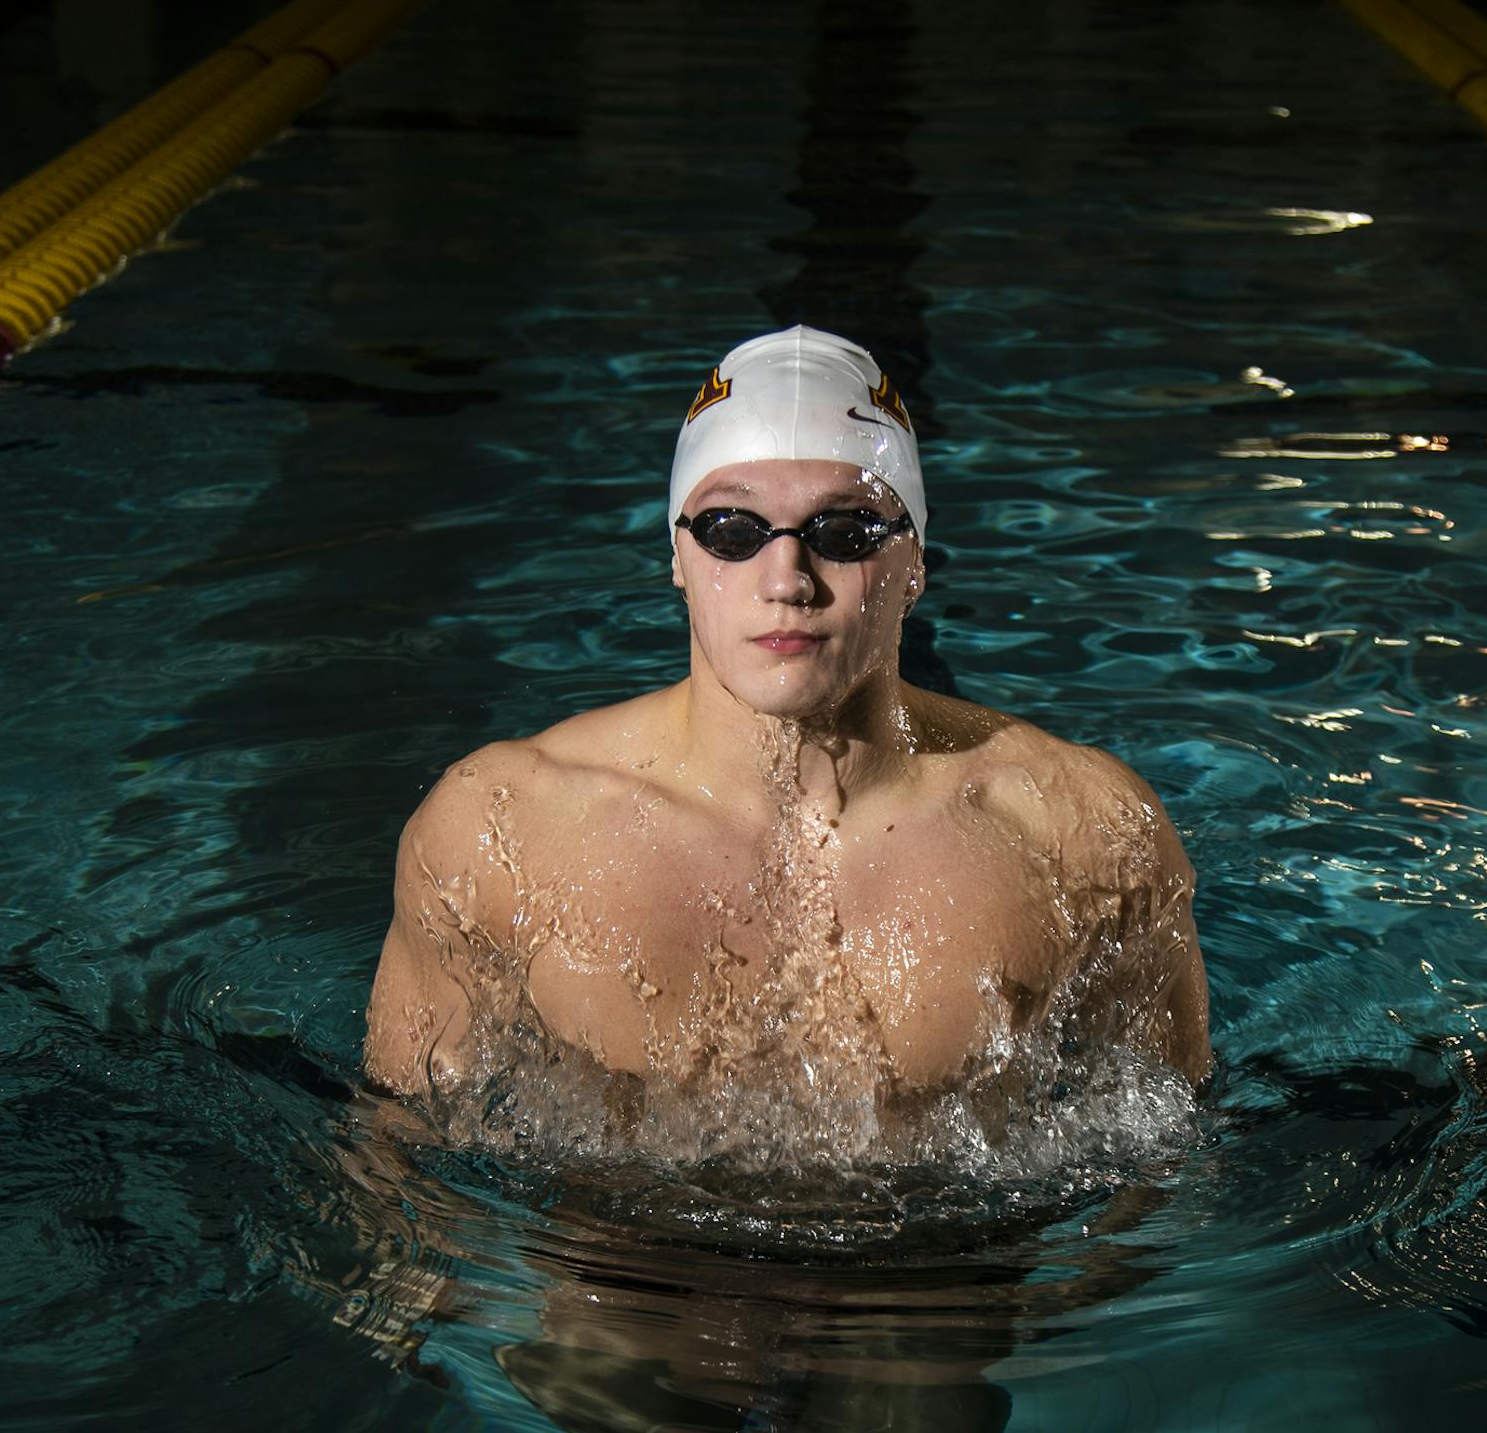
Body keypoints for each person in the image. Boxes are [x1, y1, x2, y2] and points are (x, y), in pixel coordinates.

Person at [364, 325, 1209, 1111]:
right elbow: (397, 1175)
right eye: (733, 529)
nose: (787, 577)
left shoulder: (1082, 830)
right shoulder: (495, 831)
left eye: (845, 530)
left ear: (915, 561)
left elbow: (1163, 1185)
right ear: (678, 556)